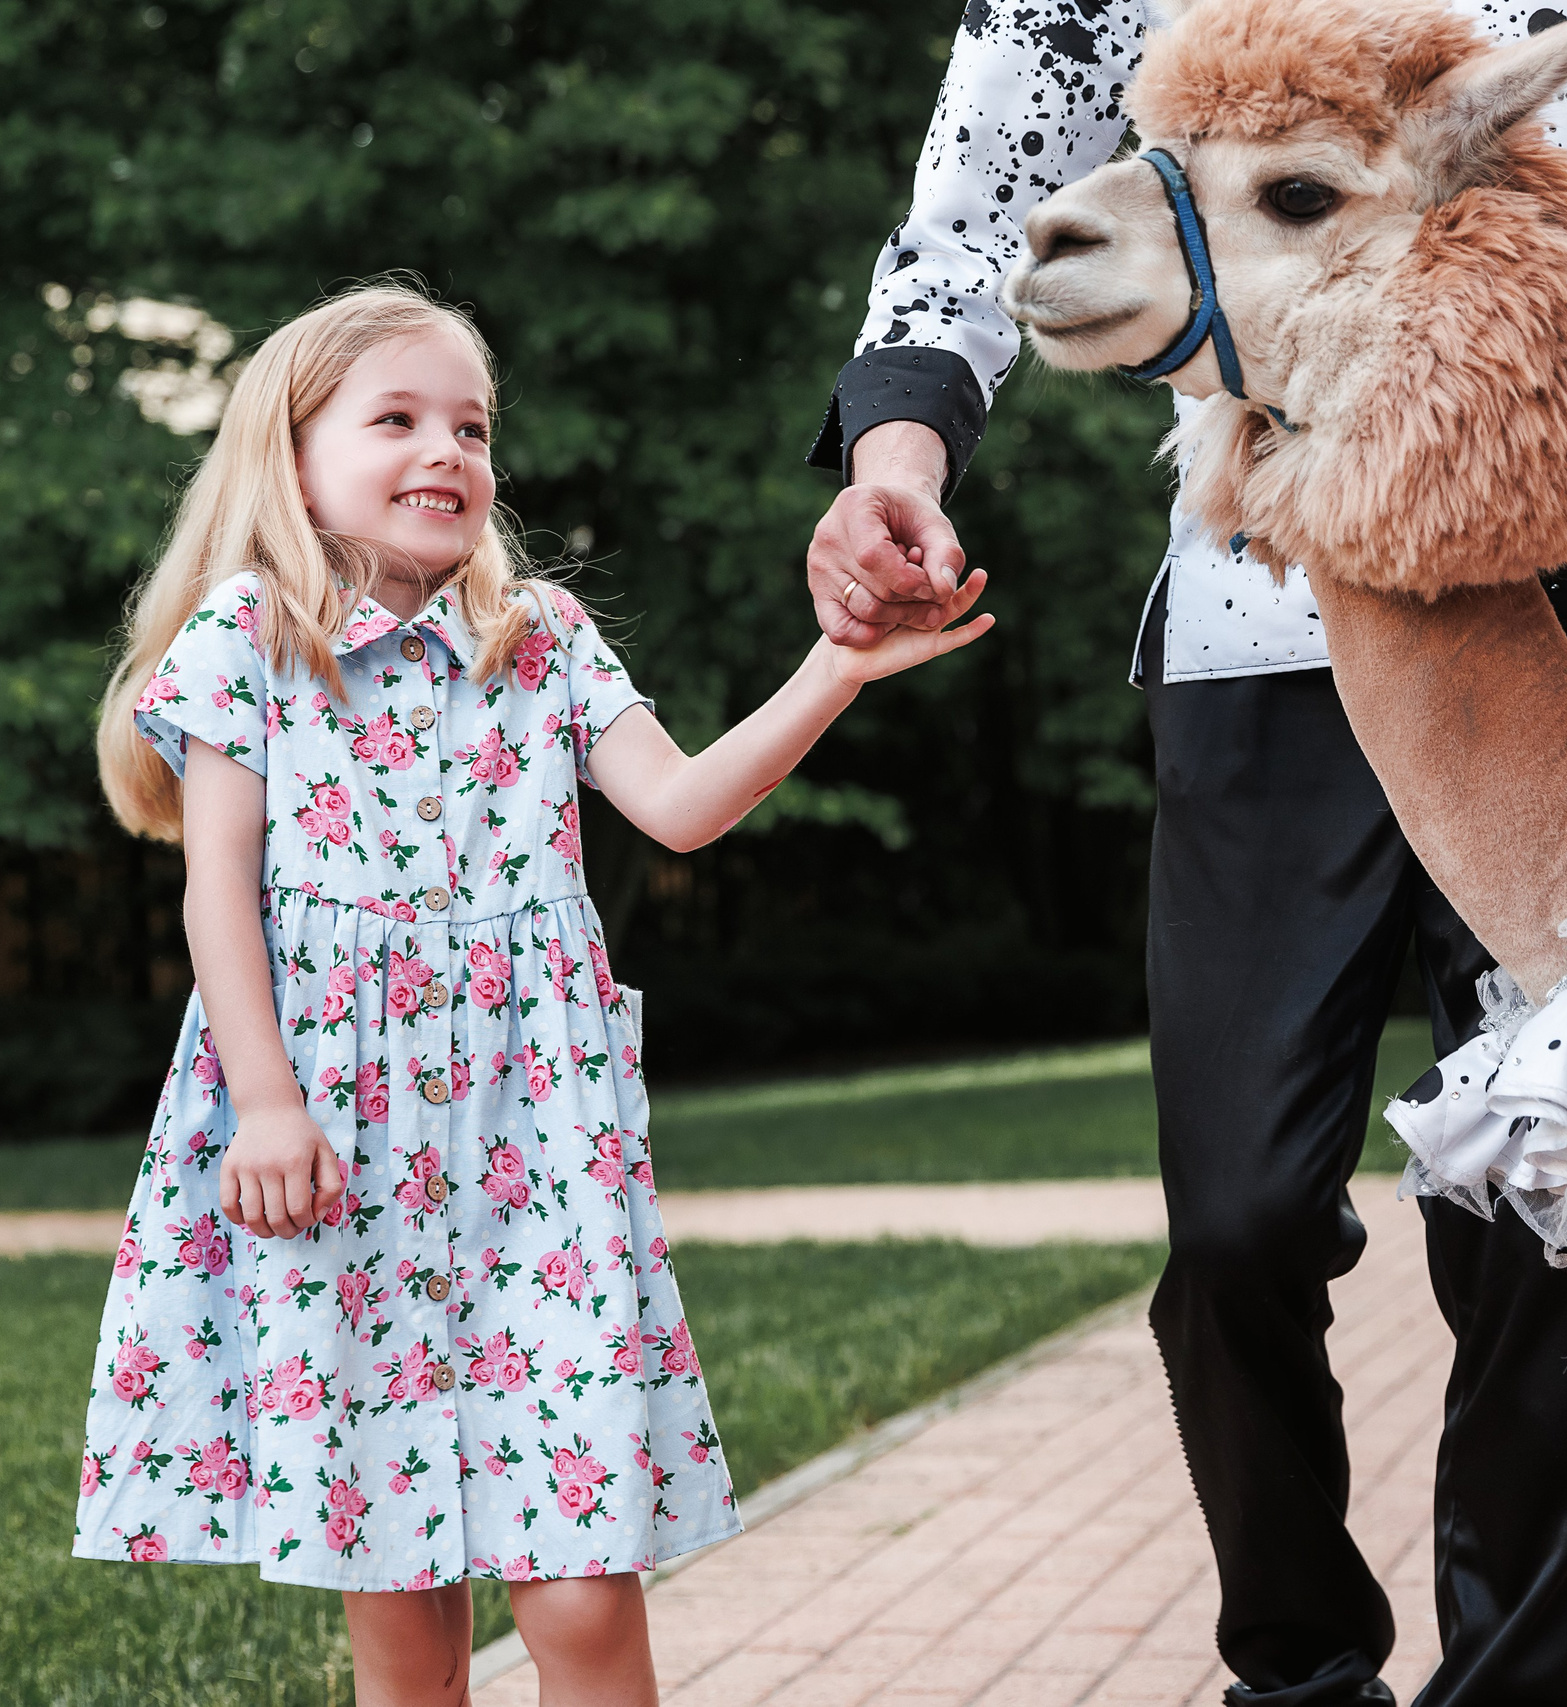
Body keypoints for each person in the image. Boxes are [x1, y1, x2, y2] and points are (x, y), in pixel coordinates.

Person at [806, 4, 1567, 1706]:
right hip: (1271, 613)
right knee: (1235, 1222)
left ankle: (1510, 1692)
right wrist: (896, 453)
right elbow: (977, 200)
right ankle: (1298, 1678)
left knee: (1550, 1236)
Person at [74, 282, 989, 1706]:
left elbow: (682, 806)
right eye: (399, 419)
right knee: (401, 1608)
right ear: (292, 456)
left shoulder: (540, 639)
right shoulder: (250, 635)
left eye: (473, 426)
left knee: (578, 1589)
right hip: (332, 1157)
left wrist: (840, 664)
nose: (449, 450)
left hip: (534, 1167)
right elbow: (216, 892)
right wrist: (262, 1100)